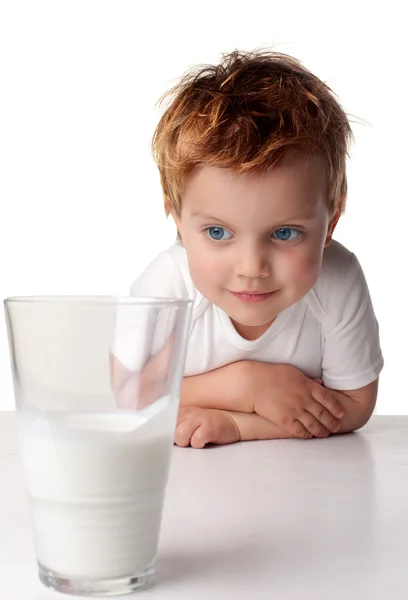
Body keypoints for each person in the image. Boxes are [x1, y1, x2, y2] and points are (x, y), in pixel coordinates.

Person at [114, 49, 384, 448]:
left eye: (286, 233)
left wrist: (241, 426)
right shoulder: (169, 284)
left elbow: (356, 402)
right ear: (178, 222)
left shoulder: (337, 279)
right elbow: (125, 394)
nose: (251, 267)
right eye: (218, 233)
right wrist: (245, 386)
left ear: (331, 225)